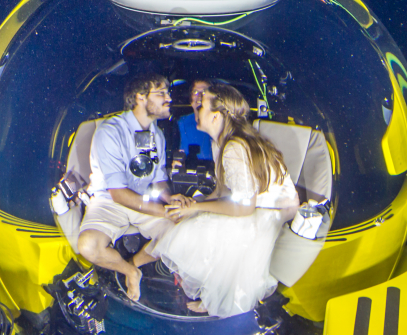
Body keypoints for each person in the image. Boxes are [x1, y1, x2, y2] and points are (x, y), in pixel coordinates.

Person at [151, 84, 298, 317]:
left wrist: (197, 209)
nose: (195, 108)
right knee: (197, 218)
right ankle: (210, 293)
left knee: (199, 230)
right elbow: (221, 191)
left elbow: (245, 207)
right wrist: (193, 206)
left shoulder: (234, 148)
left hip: (271, 212)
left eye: (202, 105)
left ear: (216, 116)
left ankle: (215, 299)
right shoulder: (220, 142)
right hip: (253, 205)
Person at [77, 73, 176, 301]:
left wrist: (171, 200)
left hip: (141, 199)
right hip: (108, 202)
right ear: (140, 97)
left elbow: (158, 179)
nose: (169, 98)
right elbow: (119, 194)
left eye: (167, 93)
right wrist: (165, 211)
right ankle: (129, 272)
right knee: (88, 246)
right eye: (161, 93)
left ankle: (135, 264)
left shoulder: (157, 135)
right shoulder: (111, 131)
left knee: (180, 232)